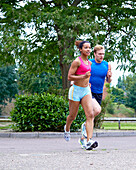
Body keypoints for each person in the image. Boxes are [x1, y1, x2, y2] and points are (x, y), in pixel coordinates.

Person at [64, 40, 98, 150]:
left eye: (89, 47)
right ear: (80, 49)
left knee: (90, 115)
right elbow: (69, 77)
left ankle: (88, 140)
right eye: (86, 48)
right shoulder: (76, 62)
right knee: (72, 116)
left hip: (86, 90)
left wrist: (87, 81)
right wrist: (83, 77)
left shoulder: (90, 63)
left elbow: (88, 75)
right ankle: (67, 129)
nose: (88, 49)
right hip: (76, 90)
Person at [78, 44, 112, 148]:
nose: (102, 56)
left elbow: (108, 81)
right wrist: (85, 82)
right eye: (99, 54)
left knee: (93, 114)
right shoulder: (89, 63)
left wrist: (110, 77)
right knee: (94, 112)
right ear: (94, 54)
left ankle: (85, 136)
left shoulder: (106, 65)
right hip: (88, 91)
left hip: (98, 93)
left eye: (103, 54)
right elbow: (81, 75)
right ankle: (88, 137)